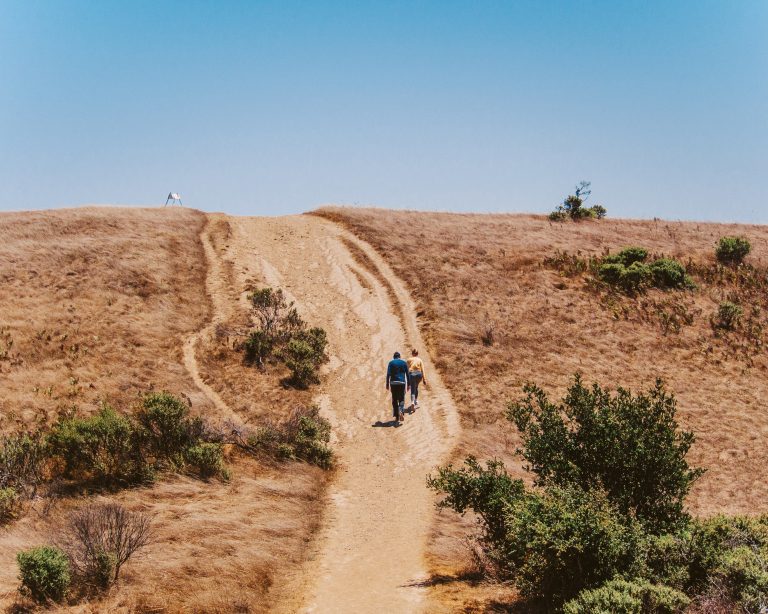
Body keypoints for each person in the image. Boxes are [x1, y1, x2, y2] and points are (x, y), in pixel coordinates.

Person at [386, 351, 410, 424]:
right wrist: (409, 384)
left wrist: (387, 384)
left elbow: (388, 374)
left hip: (393, 383)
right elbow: (407, 374)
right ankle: (401, 410)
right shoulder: (404, 363)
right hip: (402, 382)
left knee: (394, 399)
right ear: (400, 356)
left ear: (394, 357)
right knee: (401, 398)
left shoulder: (391, 363)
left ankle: (396, 416)